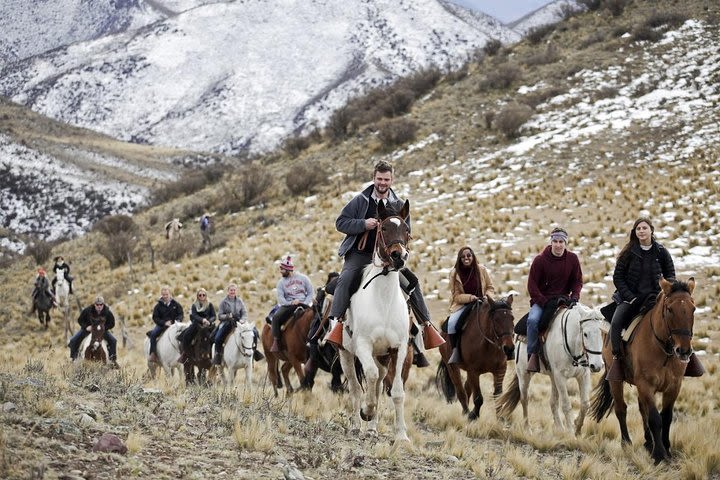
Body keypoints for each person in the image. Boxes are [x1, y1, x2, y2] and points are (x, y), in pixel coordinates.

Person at [325, 160, 433, 368]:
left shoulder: (400, 205)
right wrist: (363, 224)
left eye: (386, 179)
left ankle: (426, 327)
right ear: (374, 178)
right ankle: (336, 326)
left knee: (412, 282)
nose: (382, 183)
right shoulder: (360, 201)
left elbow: (406, 232)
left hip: (389, 257)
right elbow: (340, 222)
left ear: (392, 180)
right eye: (379, 179)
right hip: (361, 255)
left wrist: (401, 252)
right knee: (345, 279)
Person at [605, 217, 703, 379]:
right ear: (635, 232)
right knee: (615, 323)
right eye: (638, 229)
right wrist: (630, 296)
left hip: (656, 298)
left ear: (651, 230)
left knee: (681, 318)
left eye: (644, 228)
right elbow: (618, 278)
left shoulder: (662, 251)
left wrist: (665, 291)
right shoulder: (628, 252)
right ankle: (617, 360)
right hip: (631, 299)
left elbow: (670, 274)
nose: (641, 231)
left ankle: (688, 354)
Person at [526, 227, 583, 373]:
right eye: (555, 241)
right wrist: (543, 301)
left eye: (561, 241)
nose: (558, 245)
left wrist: (575, 297)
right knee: (532, 321)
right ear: (551, 242)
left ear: (566, 243)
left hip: (564, 300)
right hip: (542, 301)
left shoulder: (572, 259)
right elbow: (532, 285)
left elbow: (577, 281)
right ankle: (532, 354)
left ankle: (584, 355)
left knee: (585, 321)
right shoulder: (540, 260)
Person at [447, 246, 496, 364]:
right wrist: (470, 298)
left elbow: (490, 287)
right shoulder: (454, 273)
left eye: (469, 255)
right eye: (463, 257)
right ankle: (455, 351)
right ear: (459, 259)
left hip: (483, 302)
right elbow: (456, 296)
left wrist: (487, 297)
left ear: (473, 257)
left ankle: (504, 349)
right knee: (452, 324)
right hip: (463, 304)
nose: (466, 258)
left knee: (500, 318)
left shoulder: (482, 269)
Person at [270, 256, 314, 353]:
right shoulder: (281, 283)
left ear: (288, 269)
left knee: (316, 317)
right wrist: (290, 303)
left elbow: (310, 292)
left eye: (282, 269)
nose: (280, 271)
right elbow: (281, 298)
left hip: (304, 304)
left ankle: (316, 340)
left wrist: (305, 302)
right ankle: (276, 341)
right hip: (288, 306)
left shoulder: (304, 278)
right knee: (276, 318)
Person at [213, 283, 264, 364]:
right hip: (227, 322)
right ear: (228, 291)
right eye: (231, 290)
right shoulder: (223, 302)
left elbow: (244, 312)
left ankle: (255, 351)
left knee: (254, 332)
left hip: (240, 321)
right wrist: (227, 316)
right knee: (218, 337)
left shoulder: (240, 301)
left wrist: (243, 320)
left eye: (234, 290)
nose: (232, 292)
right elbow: (219, 316)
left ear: (236, 291)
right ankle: (218, 355)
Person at [68, 295, 118, 367]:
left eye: (101, 304)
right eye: (97, 304)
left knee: (113, 341)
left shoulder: (107, 312)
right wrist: (86, 327)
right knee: (73, 340)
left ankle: (113, 360)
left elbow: (112, 323)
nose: (99, 306)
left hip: (101, 331)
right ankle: (74, 358)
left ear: (103, 304)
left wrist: (104, 328)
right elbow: (80, 320)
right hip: (88, 329)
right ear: (94, 305)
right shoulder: (87, 310)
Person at [178, 288, 216, 364]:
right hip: (196, 325)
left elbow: (214, 316)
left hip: (208, 325)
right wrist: (202, 320)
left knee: (216, 337)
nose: (202, 296)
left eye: (203, 295)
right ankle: (185, 354)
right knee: (186, 336)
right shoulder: (194, 305)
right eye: (200, 295)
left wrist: (209, 321)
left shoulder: (210, 305)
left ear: (206, 296)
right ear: (197, 296)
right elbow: (194, 315)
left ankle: (217, 355)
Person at [148, 286, 184, 363]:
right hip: (162, 325)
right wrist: (164, 323)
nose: (165, 296)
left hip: (174, 325)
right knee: (153, 335)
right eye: (163, 295)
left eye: (166, 294)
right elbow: (155, 317)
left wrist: (177, 321)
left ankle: (183, 354)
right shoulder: (158, 306)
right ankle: (153, 353)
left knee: (184, 334)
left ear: (170, 294)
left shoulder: (176, 304)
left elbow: (181, 314)